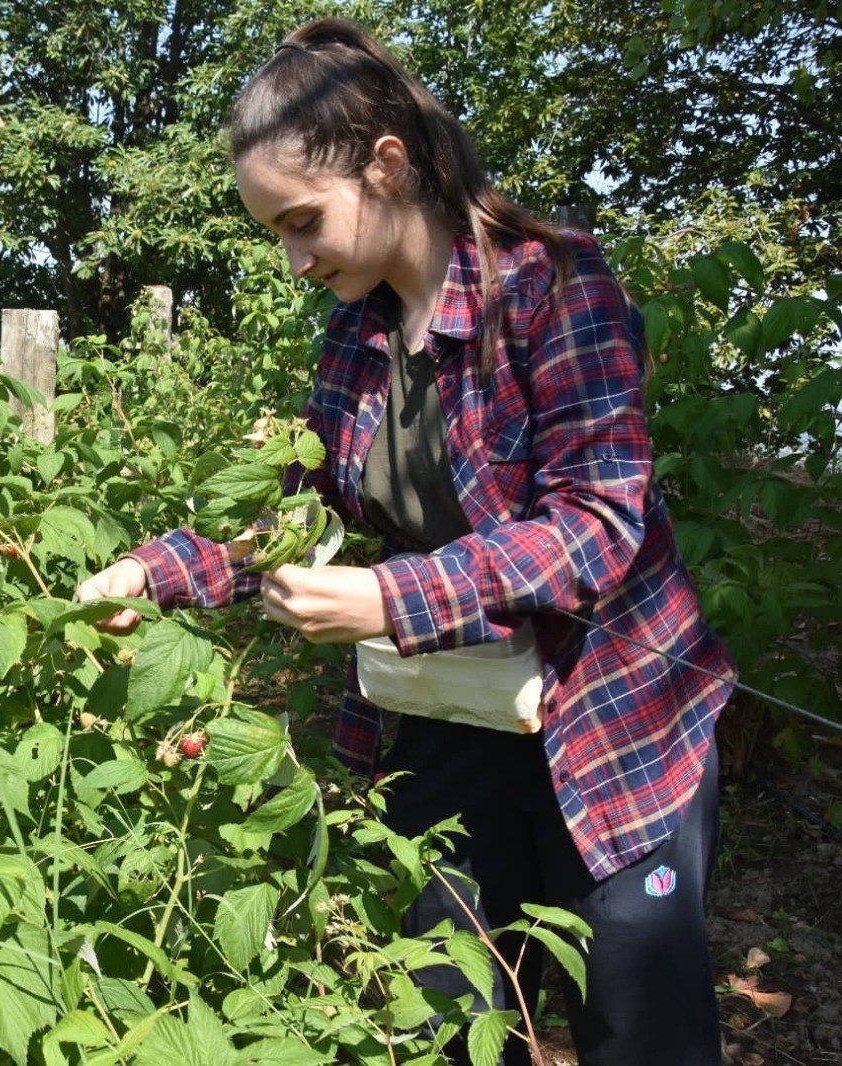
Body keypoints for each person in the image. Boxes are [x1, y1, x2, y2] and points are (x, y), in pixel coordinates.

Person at [77, 20, 732, 1066]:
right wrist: (154, 572)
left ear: (387, 164)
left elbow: (597, 524)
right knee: (447, 1017)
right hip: (450, 718)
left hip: (608, 720)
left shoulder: (557, 289)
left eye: (302, 222)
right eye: (274, 235)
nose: (293, 260)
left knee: (635, 1029)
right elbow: (299, 519)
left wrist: (390, 599)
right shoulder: (357, 336)